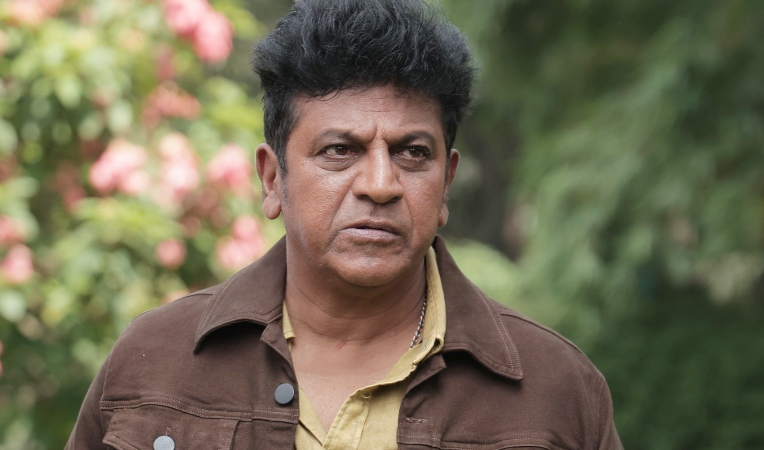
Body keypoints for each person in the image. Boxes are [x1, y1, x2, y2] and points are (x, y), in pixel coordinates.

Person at [67, 0, 623, 448]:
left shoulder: (555, 392)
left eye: (412, 152)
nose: (380, 184)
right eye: (339, 150)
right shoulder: (154, 364)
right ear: (273, 179)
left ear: (446, 182)